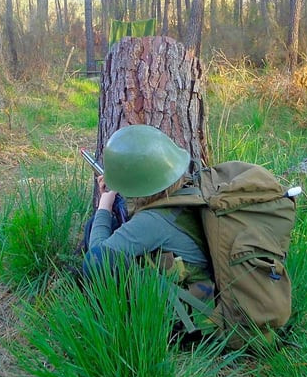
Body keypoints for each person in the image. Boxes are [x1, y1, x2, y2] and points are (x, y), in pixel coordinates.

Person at [81, 125, 214, 303]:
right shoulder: (184, 189)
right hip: (200, 286)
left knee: (99, 238)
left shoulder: (151, 221)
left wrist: (104, 206)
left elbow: (97, 261)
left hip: (190, 309)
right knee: (105, 228)